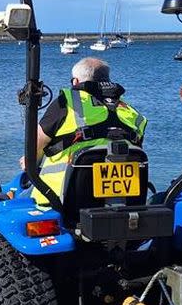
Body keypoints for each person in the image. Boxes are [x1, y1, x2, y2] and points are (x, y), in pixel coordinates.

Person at [20, 57, 147, 205]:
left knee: (11, 200)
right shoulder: (132, 113)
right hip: (125, 202)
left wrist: (28, 162)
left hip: (60, 199)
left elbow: (35, 146)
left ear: (75, 82)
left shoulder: (68, 103)